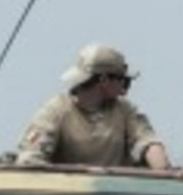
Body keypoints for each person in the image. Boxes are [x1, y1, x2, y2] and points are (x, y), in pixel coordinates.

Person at [14, 43, 171, 169]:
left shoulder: (124, 111)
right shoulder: (56, 111)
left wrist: (162, 170)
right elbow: (31, 158)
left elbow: (148, 142)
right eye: (122, 80)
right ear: (104, 80)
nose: (125, 86)